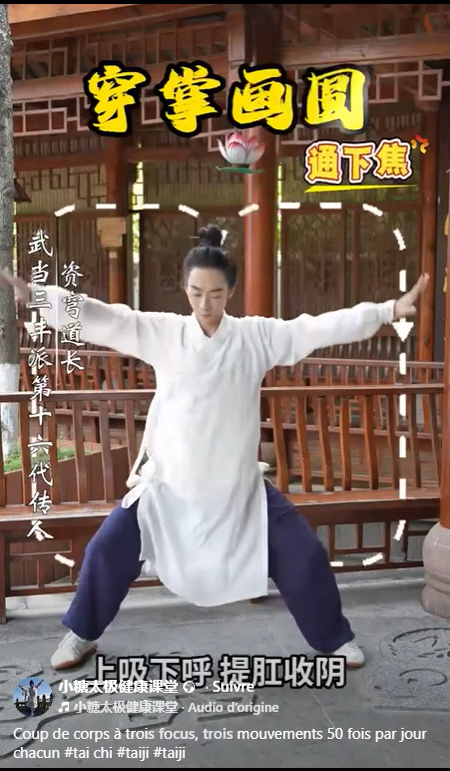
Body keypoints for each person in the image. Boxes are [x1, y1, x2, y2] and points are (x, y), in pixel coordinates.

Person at [0, 226, 429, 673]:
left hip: (238, 490)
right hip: (168, 489)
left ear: (232, 292)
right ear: (185, 289)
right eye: (196, 293)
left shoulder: (256, 338)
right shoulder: (164, 333)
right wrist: (40, 297)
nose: (205, 304)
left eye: (217, 294)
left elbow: (316, 327)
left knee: (304, 553)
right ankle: (82, 633)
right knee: (106, 549)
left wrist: (386, 310)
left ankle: (334, 638)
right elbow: (107, 318)